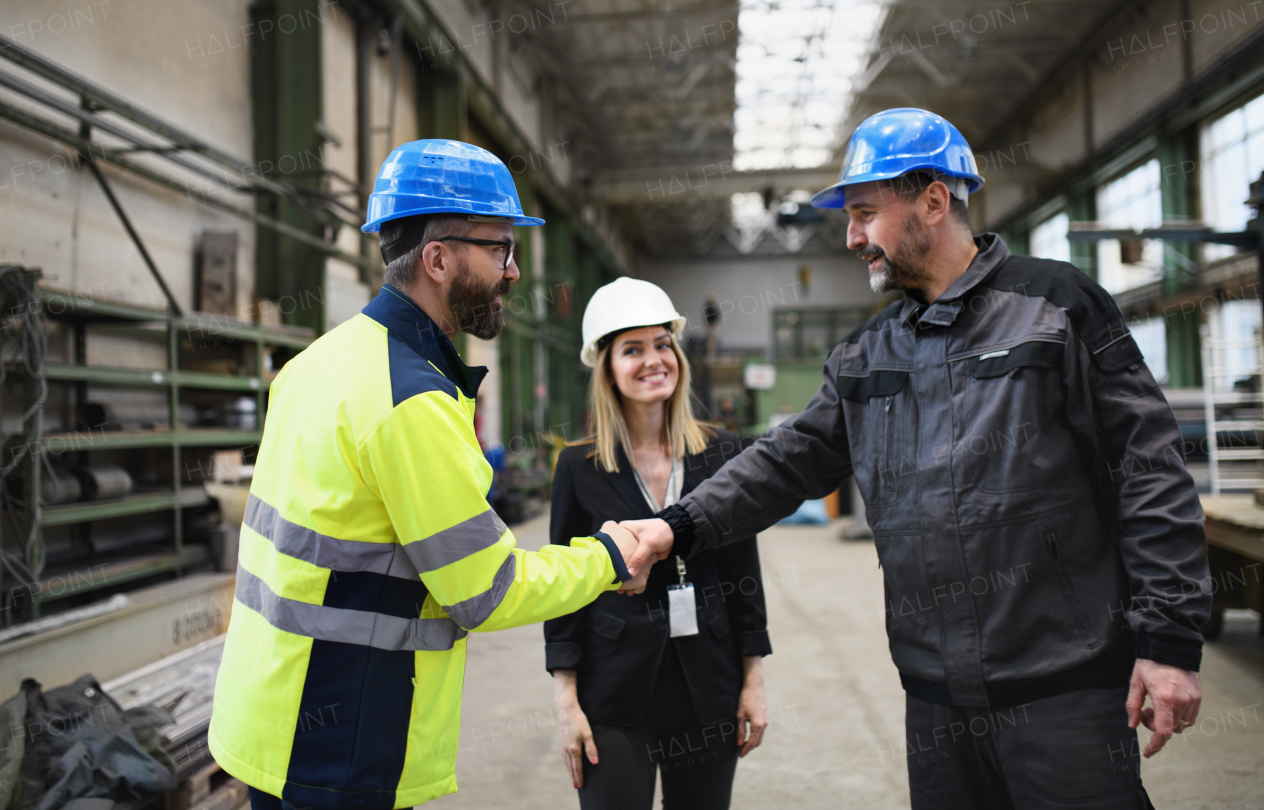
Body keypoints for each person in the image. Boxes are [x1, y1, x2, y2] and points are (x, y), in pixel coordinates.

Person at [621, 108, 1209, 809]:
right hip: (935, 700)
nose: (852, 236)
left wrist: (1168, 639)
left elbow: (1150, 472)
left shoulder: (1057, 308)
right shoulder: (869, 354)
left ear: (934, 201)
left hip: (1064, 688)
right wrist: (675, 525)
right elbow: (787, 461)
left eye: (865, 212)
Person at [208, 139, 655, 810]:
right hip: (341, 738)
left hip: (268, 718)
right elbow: (489, 590)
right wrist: (610, 555)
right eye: (500, 249)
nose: (512, 273)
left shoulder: (315, 363)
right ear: (439, 258)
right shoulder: (408, 400)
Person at [544, 278, 771, 810]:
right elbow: (563, 592)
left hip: (708, 690)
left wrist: (753, 679)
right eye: (632, 349)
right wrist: (566, 700)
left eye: (662, 344)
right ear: (606, 367)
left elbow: (745, 574)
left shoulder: (722, 453)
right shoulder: (579, 466)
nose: (653, 360)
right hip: (615, 693)